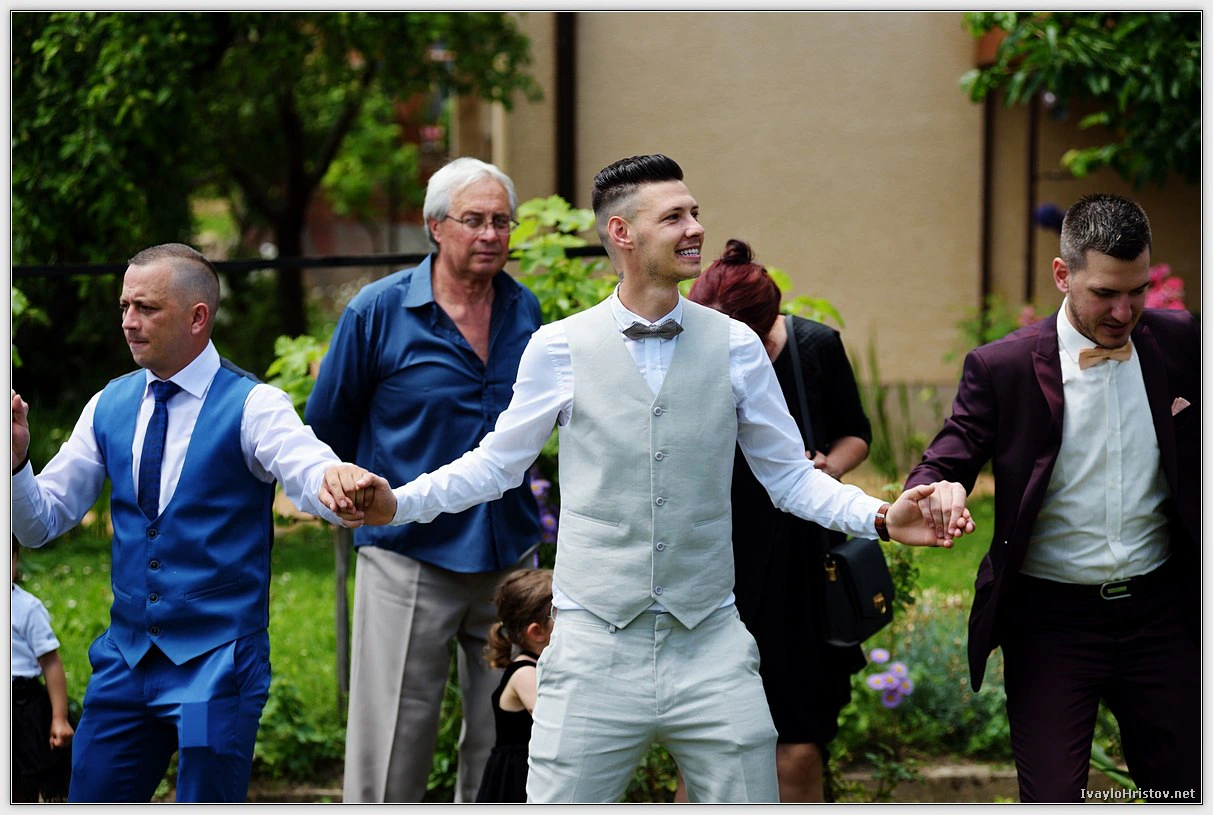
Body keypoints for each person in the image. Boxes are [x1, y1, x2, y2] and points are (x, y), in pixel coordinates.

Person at [326, 154, 974, 803]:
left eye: (694, 212)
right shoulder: (558, 346)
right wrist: (397, 502)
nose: (695, 228)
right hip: (591, 653)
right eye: (673, 217)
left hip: (712, 648)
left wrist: (880, 516)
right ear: (622, 233)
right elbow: (496, 464)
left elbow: (790, 478)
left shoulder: (737, 346)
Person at [11, 242, 373, 803]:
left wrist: (337, 483)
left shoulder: (254, 405)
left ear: (197, 317)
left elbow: (306, 466)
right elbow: (39, 524)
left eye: (146, 308)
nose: (128, 321)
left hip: (213, 672)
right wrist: (15, 464)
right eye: (124, 306)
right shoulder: (108, 404)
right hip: (126, 665)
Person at [905, 193, 1200, 802]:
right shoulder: (1004, 367)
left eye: (1138, 291)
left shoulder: (1180, 341)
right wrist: (937, 489)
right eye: (1105, 293)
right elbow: (948, 456)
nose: (1124, 312)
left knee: (1185, 792)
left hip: (1163, 614)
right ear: (1063, 275)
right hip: (1051, 624)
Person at [305, 156, 542, 803]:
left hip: (506, 554)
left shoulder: (525, 310)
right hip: (407, 553)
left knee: (504, 735)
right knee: (393, 739)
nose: (490, 234)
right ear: (435, 226)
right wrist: (346, 496)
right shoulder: (378, 312)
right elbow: (326, 427)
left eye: (502, 221)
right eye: (474, 220)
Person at [681, 239, 871, 802]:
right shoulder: (685, 348)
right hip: (714, 557)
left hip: (799, 563)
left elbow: (856, 434)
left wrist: (826, 468)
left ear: (767, 328)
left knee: (797, 743)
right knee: (703, 746)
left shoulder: (815, 347)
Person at [474, 568, 554, 804]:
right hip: (517, 778)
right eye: (561, 616)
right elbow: (553, 721)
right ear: (537, 632)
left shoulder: (537, 665)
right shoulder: (525, 673)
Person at [12, 538, 75, 802]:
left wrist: (59, 718)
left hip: (21, 705)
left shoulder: (26, 608)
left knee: (21, 779)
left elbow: (50, 662)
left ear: (15, 560)